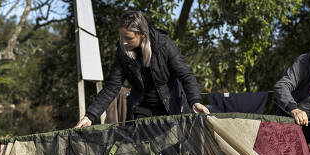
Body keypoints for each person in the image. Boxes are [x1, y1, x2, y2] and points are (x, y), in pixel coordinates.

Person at [75, 11, 210, 127]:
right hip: (141, 108)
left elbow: (186, 75)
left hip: (169, 107)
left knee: (170, 154)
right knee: (144, 153)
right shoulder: (122, 53)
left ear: (143, 34)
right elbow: (112, 87)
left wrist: (195, 101)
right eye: (121, 37)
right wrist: (90, 116)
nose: (124, 42)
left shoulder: (164, 45)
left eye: (128, 38)